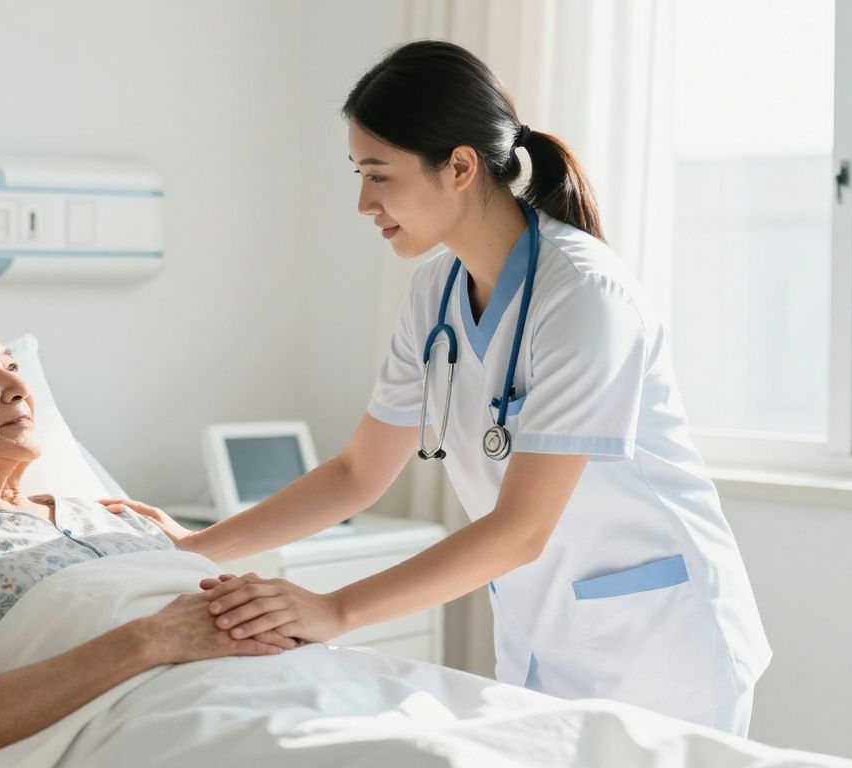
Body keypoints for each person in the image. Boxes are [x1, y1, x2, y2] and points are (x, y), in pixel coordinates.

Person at [103, 40, 772, 736]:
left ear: (459, 166)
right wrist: (188, 550)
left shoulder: (584, 297)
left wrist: (333, 611)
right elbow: (358, 473)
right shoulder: (435, 292)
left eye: (379, 174)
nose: (363, 202)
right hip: (548, 640)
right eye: (359, 174)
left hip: (662, 651)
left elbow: (521, 530)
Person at [0, 293, 296, 768]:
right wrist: (153, 638)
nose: (17, 388)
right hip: (188, 731)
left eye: (12, 365)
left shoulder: (119, 517)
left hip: (294, 689)